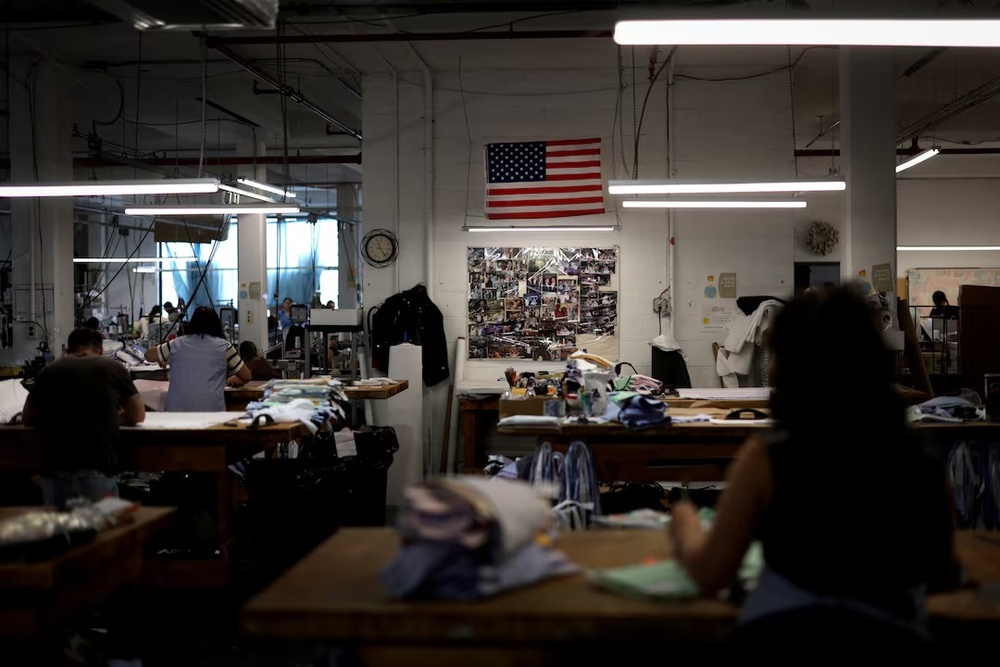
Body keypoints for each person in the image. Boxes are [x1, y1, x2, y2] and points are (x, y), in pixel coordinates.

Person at [669, 286, 955, 653]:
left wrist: (685, 525)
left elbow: (711, 574)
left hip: (779, 639)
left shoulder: (768, 457)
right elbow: (940, 571)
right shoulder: (921, 459)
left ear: (788, 365)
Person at [22, 328, 146, 507]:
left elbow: (28, 418)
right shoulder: (113, 368)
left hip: (54, 472)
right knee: (100, 533)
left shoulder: (48, 371)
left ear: (68, 350)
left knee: (61, 532)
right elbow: (137, 415)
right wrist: (109, 416)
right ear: (101, 350)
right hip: (95, 469)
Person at [144, 306, 251, 411]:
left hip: (176, 413)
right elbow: (246, 376)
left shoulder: (176, 344)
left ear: (192, 323)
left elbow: (148, 355)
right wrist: (234, 379)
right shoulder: (225, 347)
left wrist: (162, 358)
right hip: (212, 412)